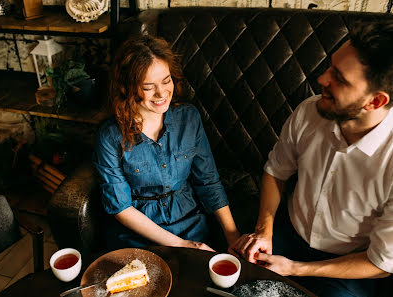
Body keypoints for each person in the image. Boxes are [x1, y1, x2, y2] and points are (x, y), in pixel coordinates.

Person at [233, 21, 393, 297]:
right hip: (285, 232)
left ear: (376, 102)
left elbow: (380, 262)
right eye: (331, 67)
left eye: (339, 79)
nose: (321, 79)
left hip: (347, 265)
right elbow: (275, 172)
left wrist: (296, 269)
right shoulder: (309, 111)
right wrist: (264, 231)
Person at [93, 35, 240, 253]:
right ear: (127, 88)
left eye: (166, 80)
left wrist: (233, 238)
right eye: (148, 87)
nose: (162, 94)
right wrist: (183, 245)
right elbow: (120, 207)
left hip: (191, 225)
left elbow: (208, 181)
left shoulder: (189, 118)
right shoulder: (109, 136)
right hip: (139, 235)